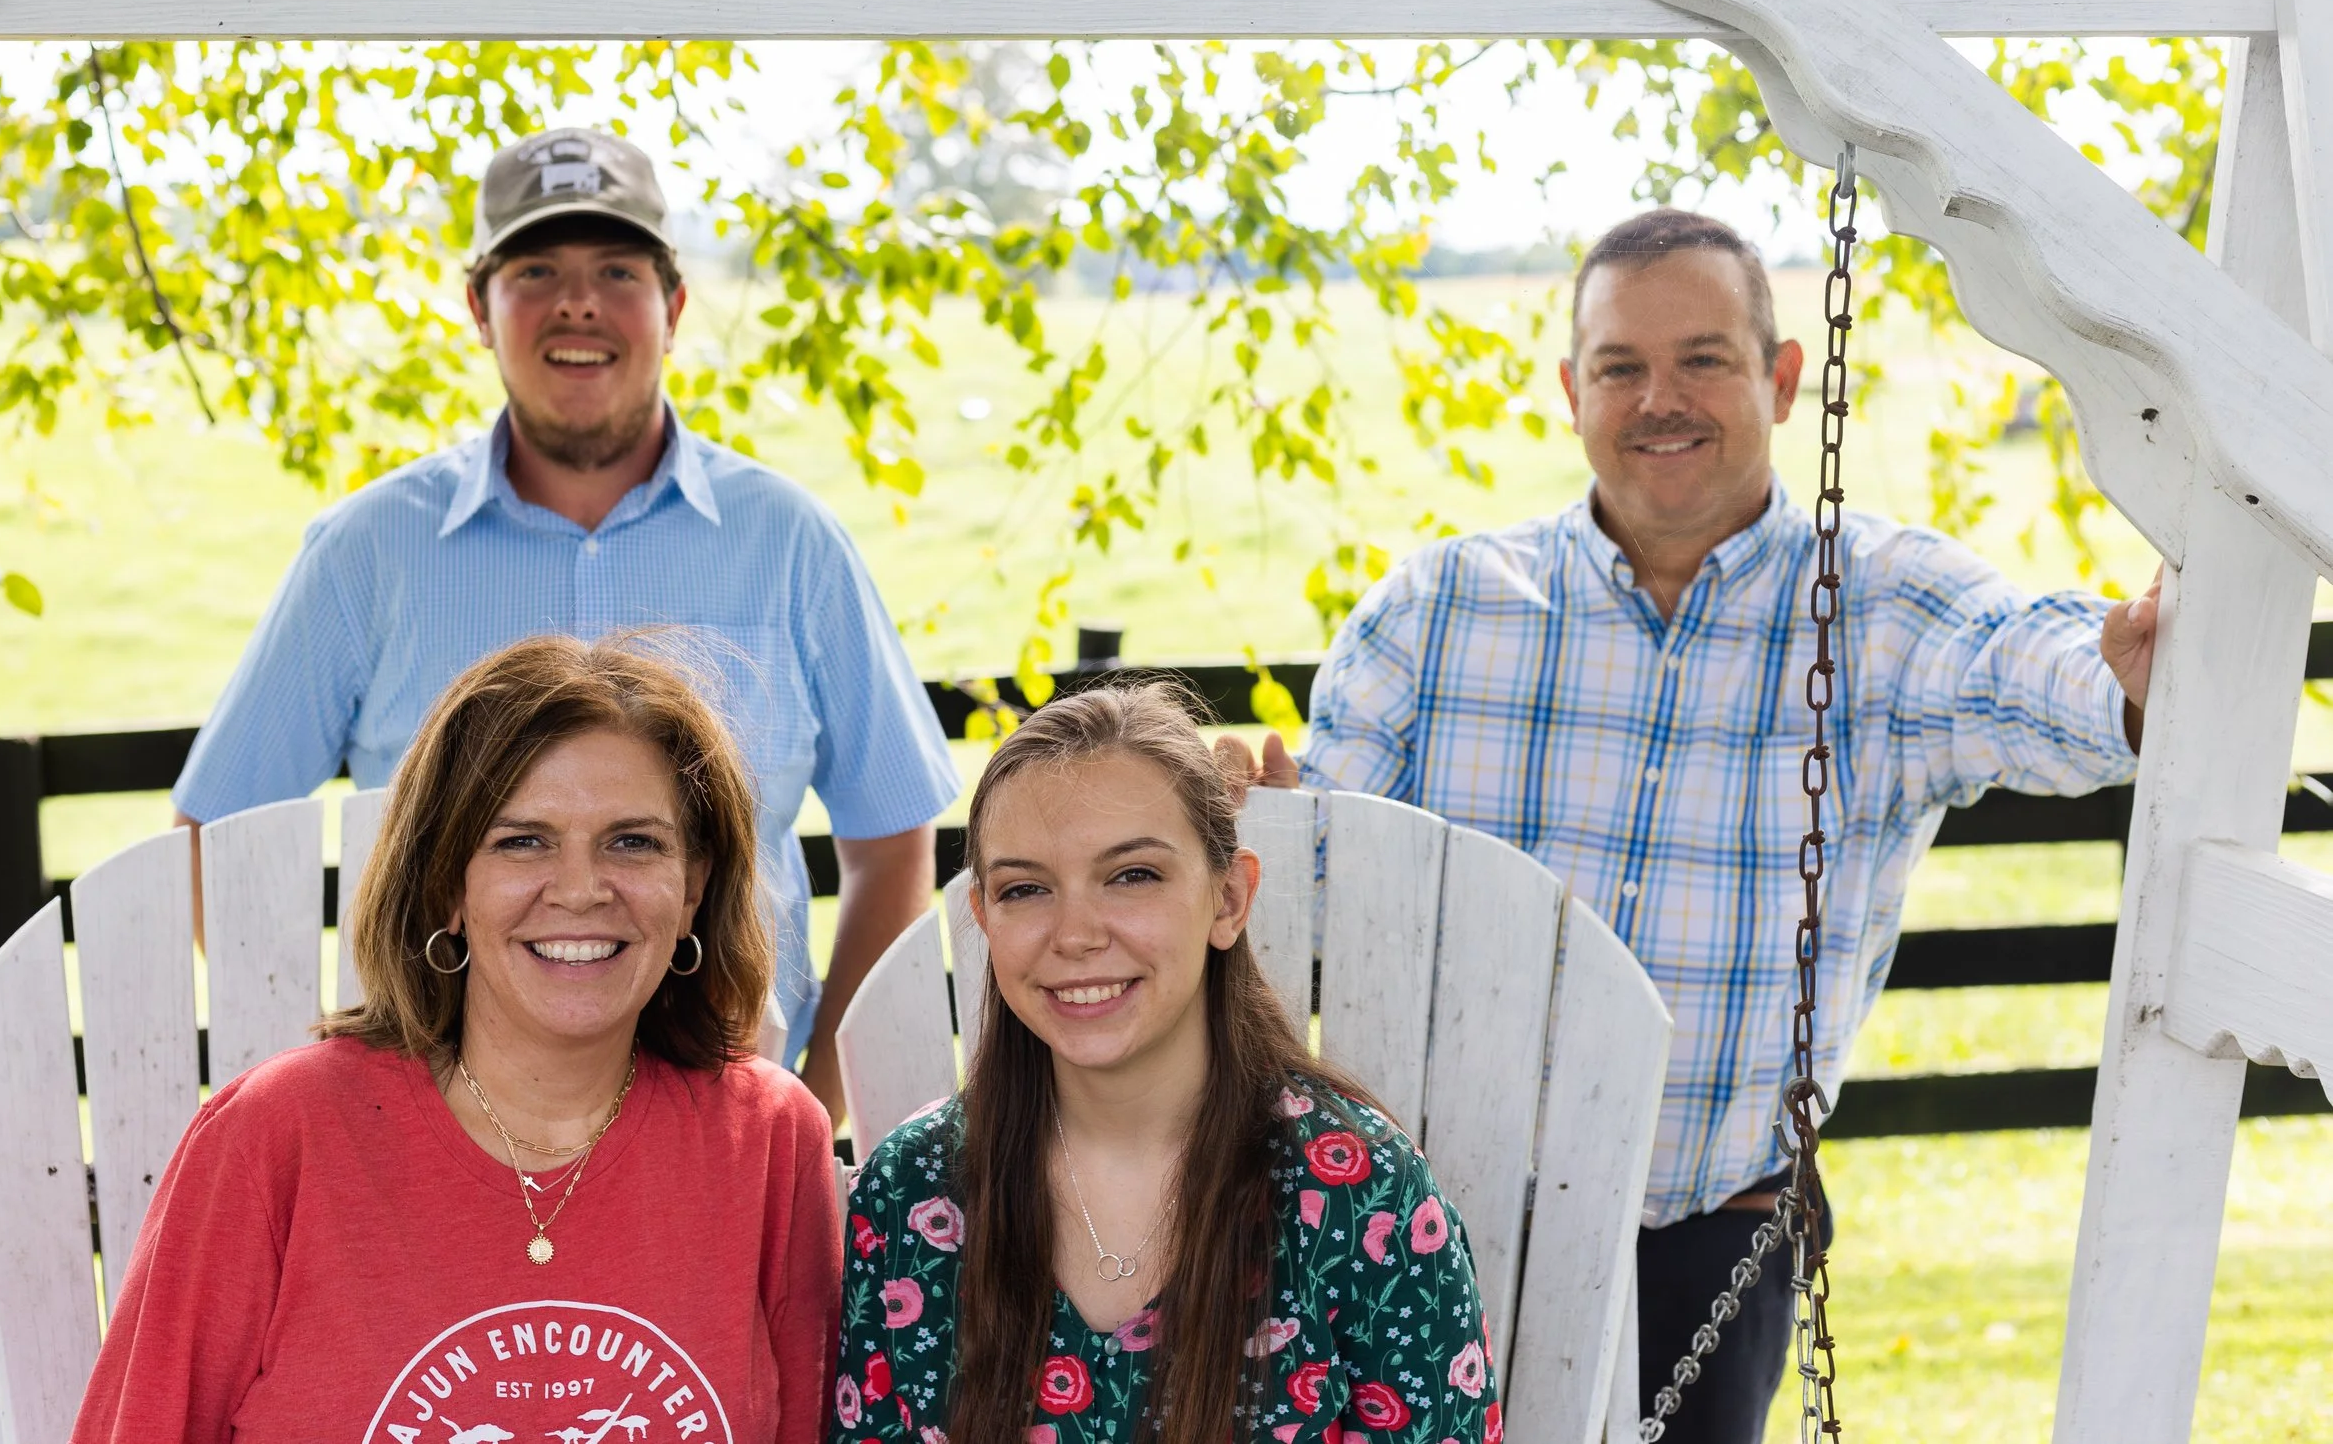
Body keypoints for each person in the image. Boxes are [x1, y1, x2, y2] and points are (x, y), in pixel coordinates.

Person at [1229, 208, 2159, 1444]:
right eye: (1621, 365)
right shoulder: (1438, 611)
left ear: (1782, 378)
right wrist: (1265, 835)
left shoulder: (1883, 606)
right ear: (1572, 390)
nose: (1659, 397)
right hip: (1426, 1230)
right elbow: (1321, 883)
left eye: (1703, 358)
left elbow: (2033, 669)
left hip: (1710, 1234)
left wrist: (2130, 681)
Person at [171, 126, 959, 1119]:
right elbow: (214, 832)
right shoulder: (367, 552)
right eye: (536, 267)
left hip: (720, 1122)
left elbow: (891, 843)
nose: (577, 300)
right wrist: (345, 1102)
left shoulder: (792, 543)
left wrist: (817, 1105)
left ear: (672, 307)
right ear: (479, 306)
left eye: (616, 270)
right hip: (438, 1132)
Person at [77, 636, 839, 1444]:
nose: (581, 889)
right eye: (522, 840)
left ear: (693, 889)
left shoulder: (768, 1138)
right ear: (447, 885)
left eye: (633, 841)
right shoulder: (275, 1138)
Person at [836, 684, 1499, 1444]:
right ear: (983, 918)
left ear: (1228, 898)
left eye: (1133, 874)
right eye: (1025, 889)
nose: (1076, 933)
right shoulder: (909, 1193)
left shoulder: (1360, 1195)